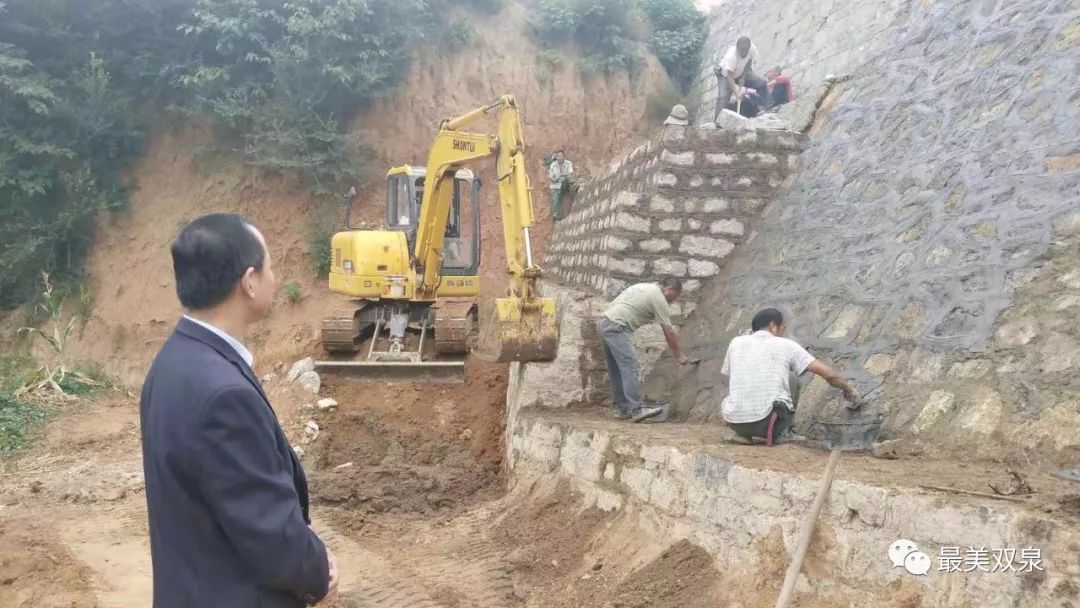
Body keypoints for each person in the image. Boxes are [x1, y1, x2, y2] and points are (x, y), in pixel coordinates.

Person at [141, 214, 337, 607]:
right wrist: (320, 571)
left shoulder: (172, 363)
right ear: (249, 282)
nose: (274, 278)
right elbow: (268, 529)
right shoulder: (224, 394)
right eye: (270, 267)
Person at [721, 308, 858, 445]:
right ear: (773, 326)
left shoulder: (735, 343)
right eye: (783, 328)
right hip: (767, 424)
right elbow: (828, 374)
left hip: (734, 420)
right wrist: (850, 390)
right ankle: (784, 432)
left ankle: (742, 434)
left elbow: (731, 375)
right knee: (791, 377)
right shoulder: (786, 345)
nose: (783, 333)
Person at [597, 278, 689, 422]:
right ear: (669, 289)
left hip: (604, 322)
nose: (673, 301)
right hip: (616, 327)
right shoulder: (658, 298)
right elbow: (669, 332)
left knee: (617, 369)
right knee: (630, 365)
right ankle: (636, 409)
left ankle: (621, 409)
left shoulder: (644, 287)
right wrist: (679, 355)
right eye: (675, 297)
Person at [713, 36, 769, 123]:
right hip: (725, 76)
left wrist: (743, 76)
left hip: (742, 72)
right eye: (741, 51)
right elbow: (729, 76)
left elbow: (749, 62)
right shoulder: (731, 56)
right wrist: (736, 90)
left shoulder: (752, 49)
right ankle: (717, 123)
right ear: (737, 48)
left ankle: (766, 107)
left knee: (761, 83)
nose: (743, 53)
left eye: (745, 51)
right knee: (723, 98)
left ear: (748, 48)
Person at [547, 149, 573, 221]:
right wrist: (558, 177)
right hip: (556, 184)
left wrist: (561, 176)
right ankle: (557, 215)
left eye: (560, 156)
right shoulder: (553, 165)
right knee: (555, 197)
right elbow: (551, 177)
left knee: (567, 181)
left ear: (564, 156)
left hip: (565, 183)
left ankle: (572, 189)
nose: (559, 158)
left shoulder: (568, 163)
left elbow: (569, 174)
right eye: (557, 156)